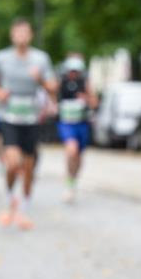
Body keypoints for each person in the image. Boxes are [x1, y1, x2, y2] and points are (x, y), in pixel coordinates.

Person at [0, 18, 57, 230]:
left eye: (25, 32)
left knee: (29, 166)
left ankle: (24, 210)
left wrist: (40, 79)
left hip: (32, 119)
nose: (21, 36)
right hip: (9, 117)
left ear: (30, 35)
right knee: (13, 162)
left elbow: (53, 86)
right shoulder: (1, 57)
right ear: (12, 35)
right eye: (18, 32)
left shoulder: (41, 59)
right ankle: (8, 201)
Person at [56, 54, 97, 203]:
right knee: (71, 150)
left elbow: (94, 103)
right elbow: (52, 98)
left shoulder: (85, 84)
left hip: (82, 124)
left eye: (76, 71)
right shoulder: (60, 83)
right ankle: (68, 182)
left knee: (78, 156)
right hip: (66, 123)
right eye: (71, 71)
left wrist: (86, 98)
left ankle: (73, 181)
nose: (73, 74)